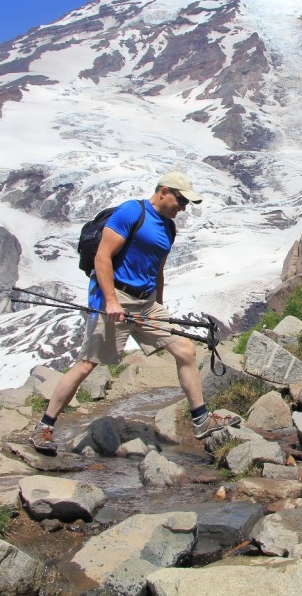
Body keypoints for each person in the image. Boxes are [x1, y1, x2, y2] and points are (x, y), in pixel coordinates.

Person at [30, 171, 240, 453]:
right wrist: (111, 302)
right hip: (116, 296)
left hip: (147, 302)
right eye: (180, 200)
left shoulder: (169, 228)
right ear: (164, 191)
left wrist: (160, 306)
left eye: (186, 203)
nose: (183, 207)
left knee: (185, 350)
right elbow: (102, 256)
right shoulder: (132, 211)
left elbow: (158, 269)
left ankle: (201, 421)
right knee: (87, 364)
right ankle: (44, 428)